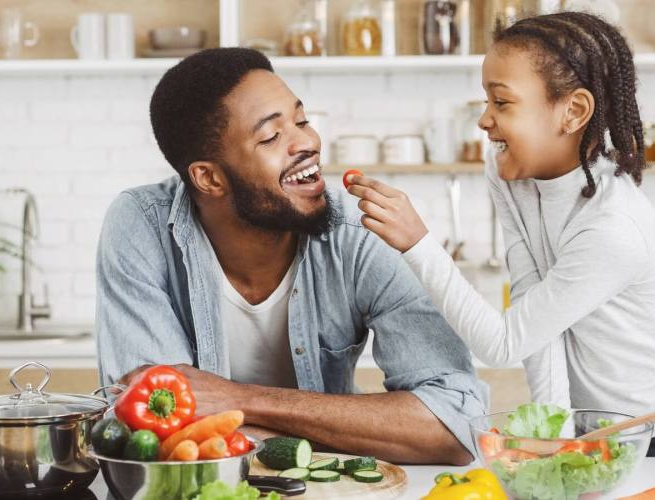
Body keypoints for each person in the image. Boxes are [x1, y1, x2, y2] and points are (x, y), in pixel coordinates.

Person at [95, 48, 487, 464]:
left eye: (301, 121)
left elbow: (455, 428)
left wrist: (238, 399)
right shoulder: (142, 225)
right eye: (270, 137)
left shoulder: (362, 232)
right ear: (209, 177)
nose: (308, 142)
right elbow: (156, 433)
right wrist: (358, 432)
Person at [347, 11, 655, 454]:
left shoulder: (613, 228)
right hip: (589, 439)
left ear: (573, 111)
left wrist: (418, 243)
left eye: (503, 102)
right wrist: (556, 441)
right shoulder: (512, 175)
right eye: (486, 101)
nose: (484, 120)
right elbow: (536, 323)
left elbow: (504, 345)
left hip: (641, 441)